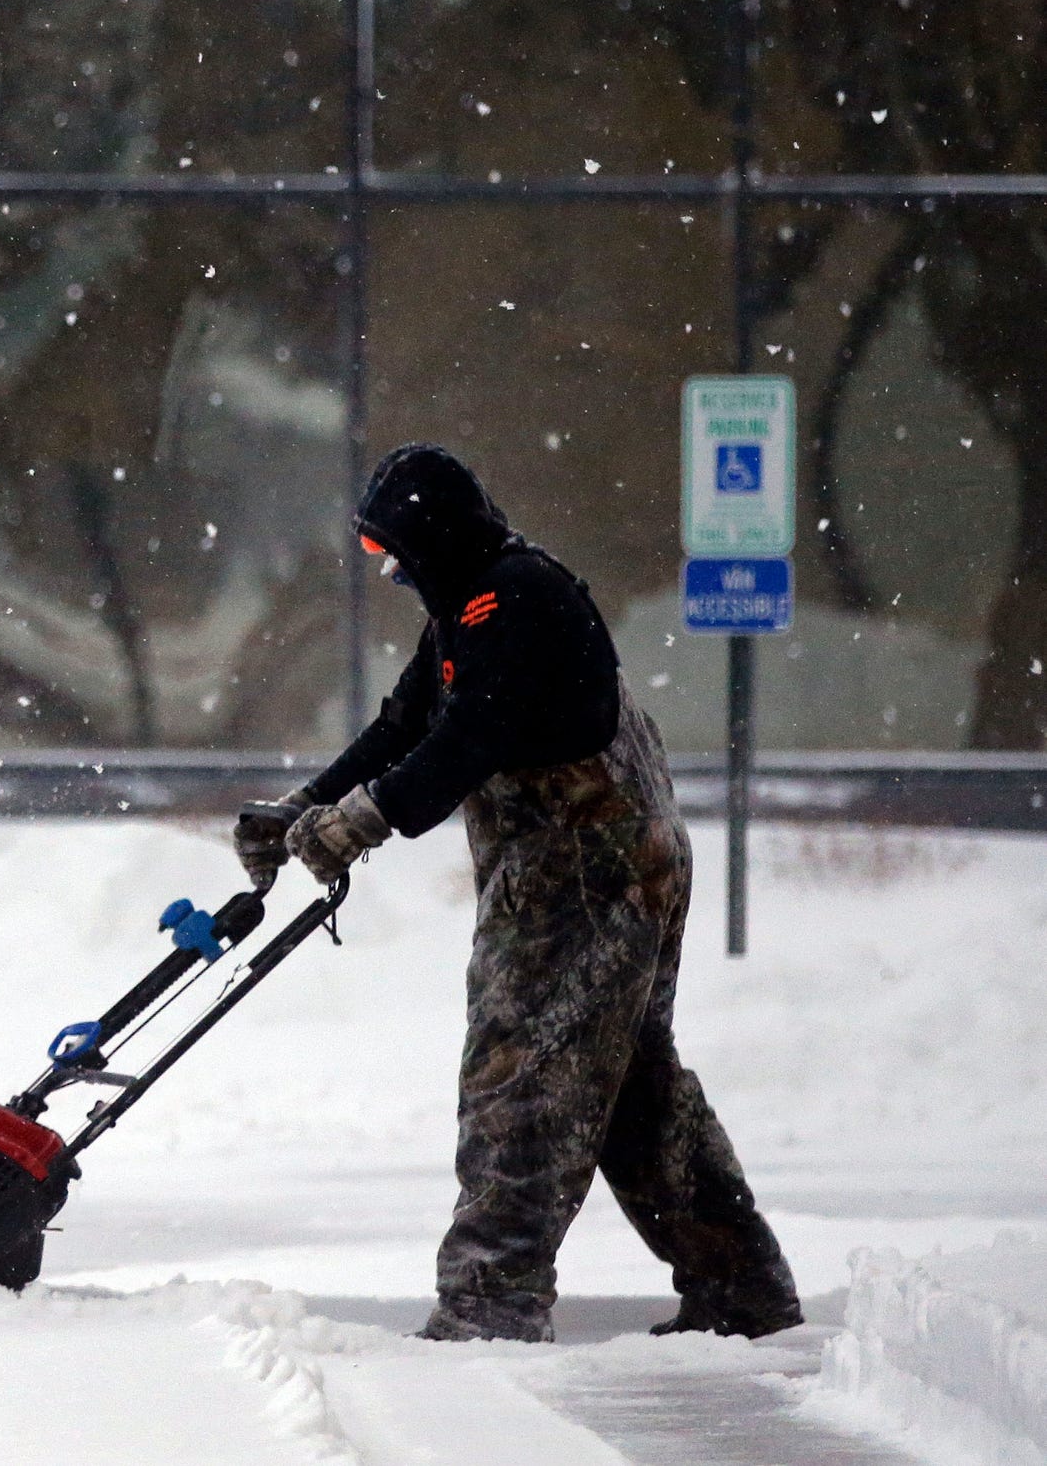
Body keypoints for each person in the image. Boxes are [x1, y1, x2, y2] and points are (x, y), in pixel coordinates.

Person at [234, 444, 803, 1344]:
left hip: (590, 872)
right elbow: (406, 722)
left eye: (394, 555)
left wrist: (364, 819)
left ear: (434, 540)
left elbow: (471, 735)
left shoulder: (516, 600)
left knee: (521, 1075)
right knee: (627, 1089)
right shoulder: (466, 604)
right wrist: (305, 805)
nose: (390, 575)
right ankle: (741, 1289)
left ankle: (489, 1304)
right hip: (584, 866)